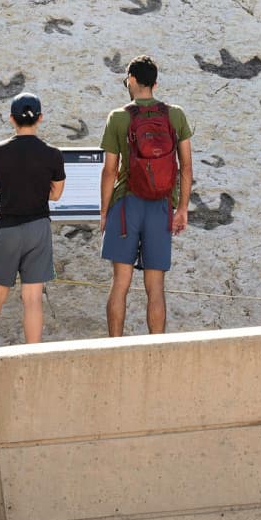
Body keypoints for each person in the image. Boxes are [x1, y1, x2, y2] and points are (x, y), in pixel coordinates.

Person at [99, 55, 193, 336]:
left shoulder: (118, 117)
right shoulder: (175, 115)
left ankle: (115, 345)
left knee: (120, 283)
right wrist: (182, 208)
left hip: (126, 207)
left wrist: (105, 211)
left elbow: (109, 170)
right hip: (161, 206)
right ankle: (158, 348)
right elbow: (186, 165)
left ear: (131, 79)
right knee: (156, 287)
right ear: (155, 83)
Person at [0, 92, 66, 345]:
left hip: (7, 228)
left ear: (11, 119)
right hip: (39, 227)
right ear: (40, 118)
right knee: (33, 298)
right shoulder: (53, 154)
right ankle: (33, 353)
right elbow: (57, 194)